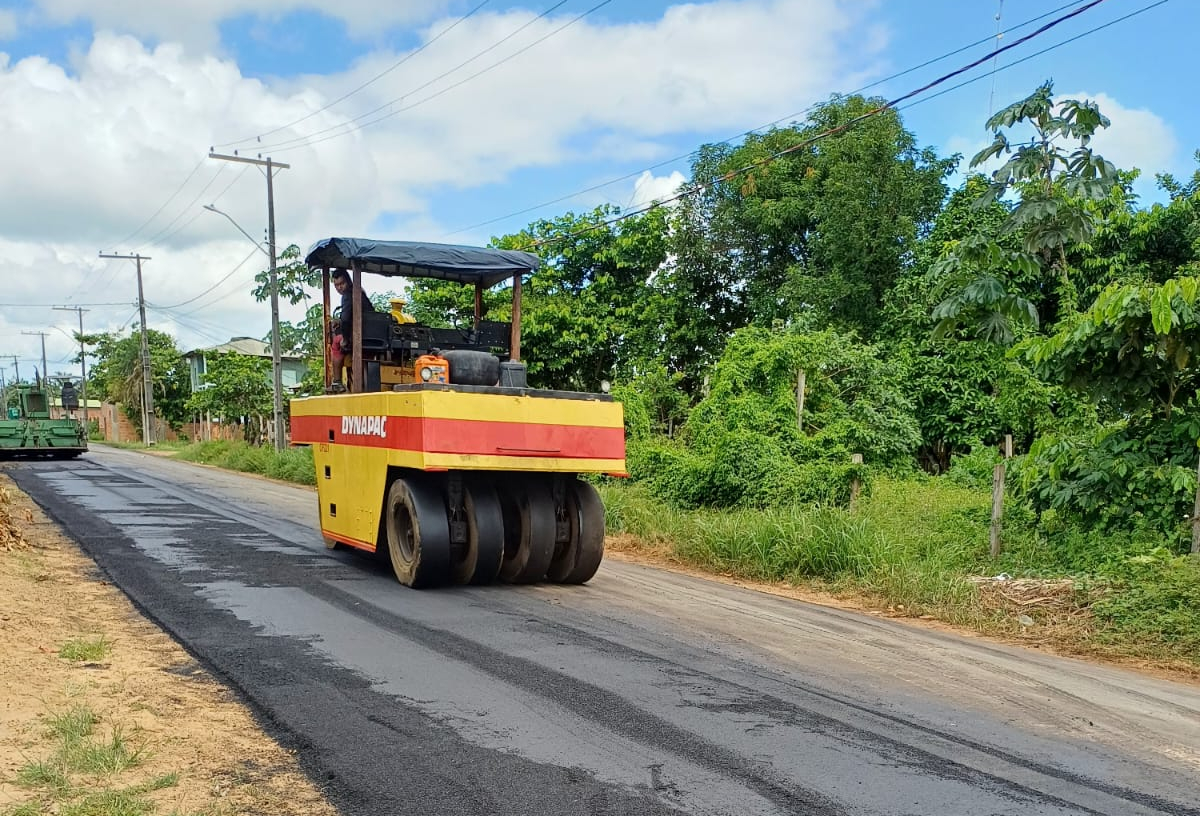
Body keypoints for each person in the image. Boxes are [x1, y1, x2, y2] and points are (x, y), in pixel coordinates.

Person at [330, 269, 377, 386]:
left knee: (336, 342)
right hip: (372, 335)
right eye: (336, 285)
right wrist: (340, 322)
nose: (340, 288)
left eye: (342, 284)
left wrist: (345, 340)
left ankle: (337, 382)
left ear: (348, 282)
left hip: (359, 336)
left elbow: (346, 319)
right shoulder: (361, 293)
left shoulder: (347, 295)